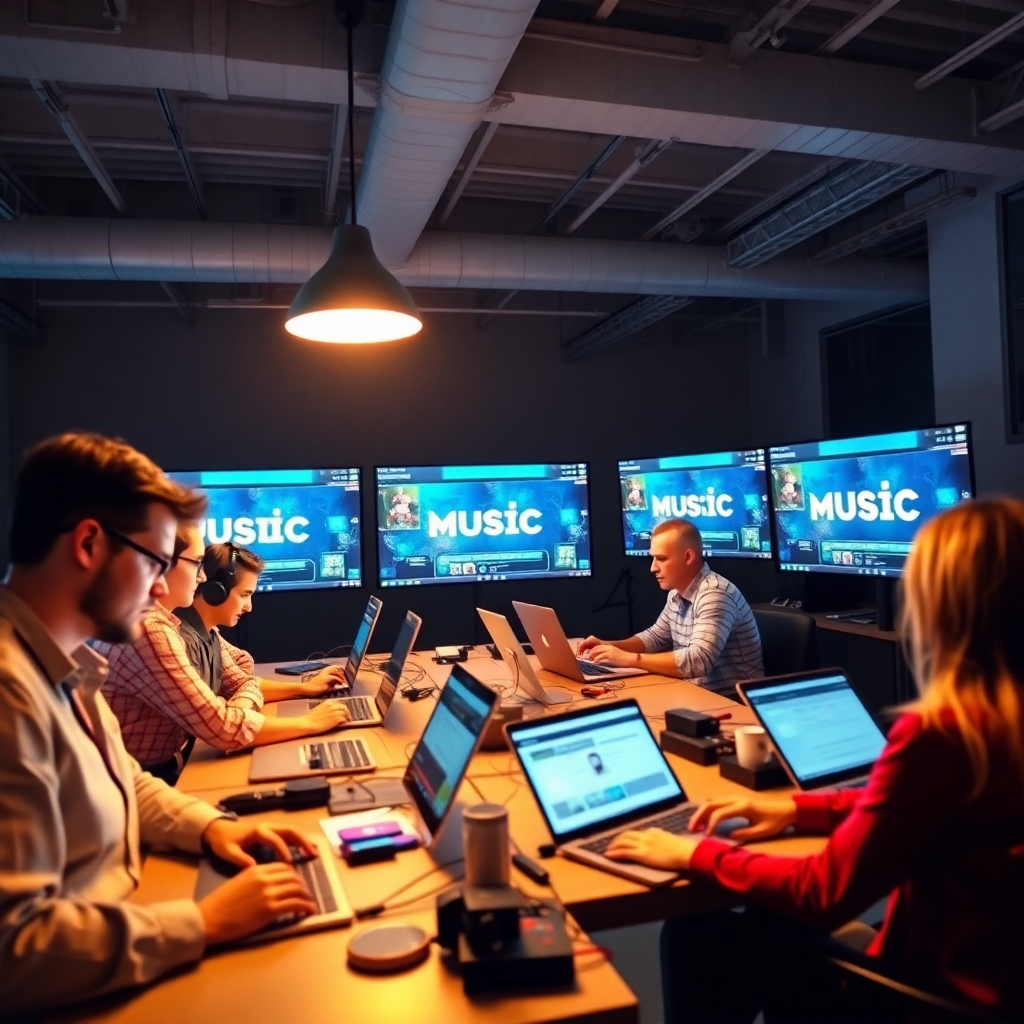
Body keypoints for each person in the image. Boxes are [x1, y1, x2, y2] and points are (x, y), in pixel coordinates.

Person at [605, 498, 1024, 1020]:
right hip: (1000, 976)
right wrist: (800, 810)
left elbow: (822, 891)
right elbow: (911, 804)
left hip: (927, 997)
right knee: (766, 920)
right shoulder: (997, 731)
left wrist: (692, 854)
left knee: (698, 936)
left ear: (946, 608)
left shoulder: (946, 733)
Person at [0, 433, 322, 1014]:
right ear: (90, 544)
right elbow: (14, 952)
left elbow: (122, 776)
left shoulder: (58, 658)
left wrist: (208, 825)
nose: (162, 586)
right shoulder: (9, 692)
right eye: (156, 560)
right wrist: (199, 922)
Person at [97, 527, 351, 785]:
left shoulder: (176, 625)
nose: (202, 576)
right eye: (196, 563)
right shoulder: (149, 630)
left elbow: (243, 675)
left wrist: (244, 704)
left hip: (156, 774)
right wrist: (309, 723)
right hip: (133, 783)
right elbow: (221, 728)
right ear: (160, 562)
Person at [579, 519, 763, 694]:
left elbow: (698, 661)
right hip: (696, 694)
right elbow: (655, 638)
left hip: (735, 700)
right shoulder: (676, 594)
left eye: (661, 558)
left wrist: (629, 659)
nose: (653, 568)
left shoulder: (715, 594)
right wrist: (608, 646)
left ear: (688, 557)